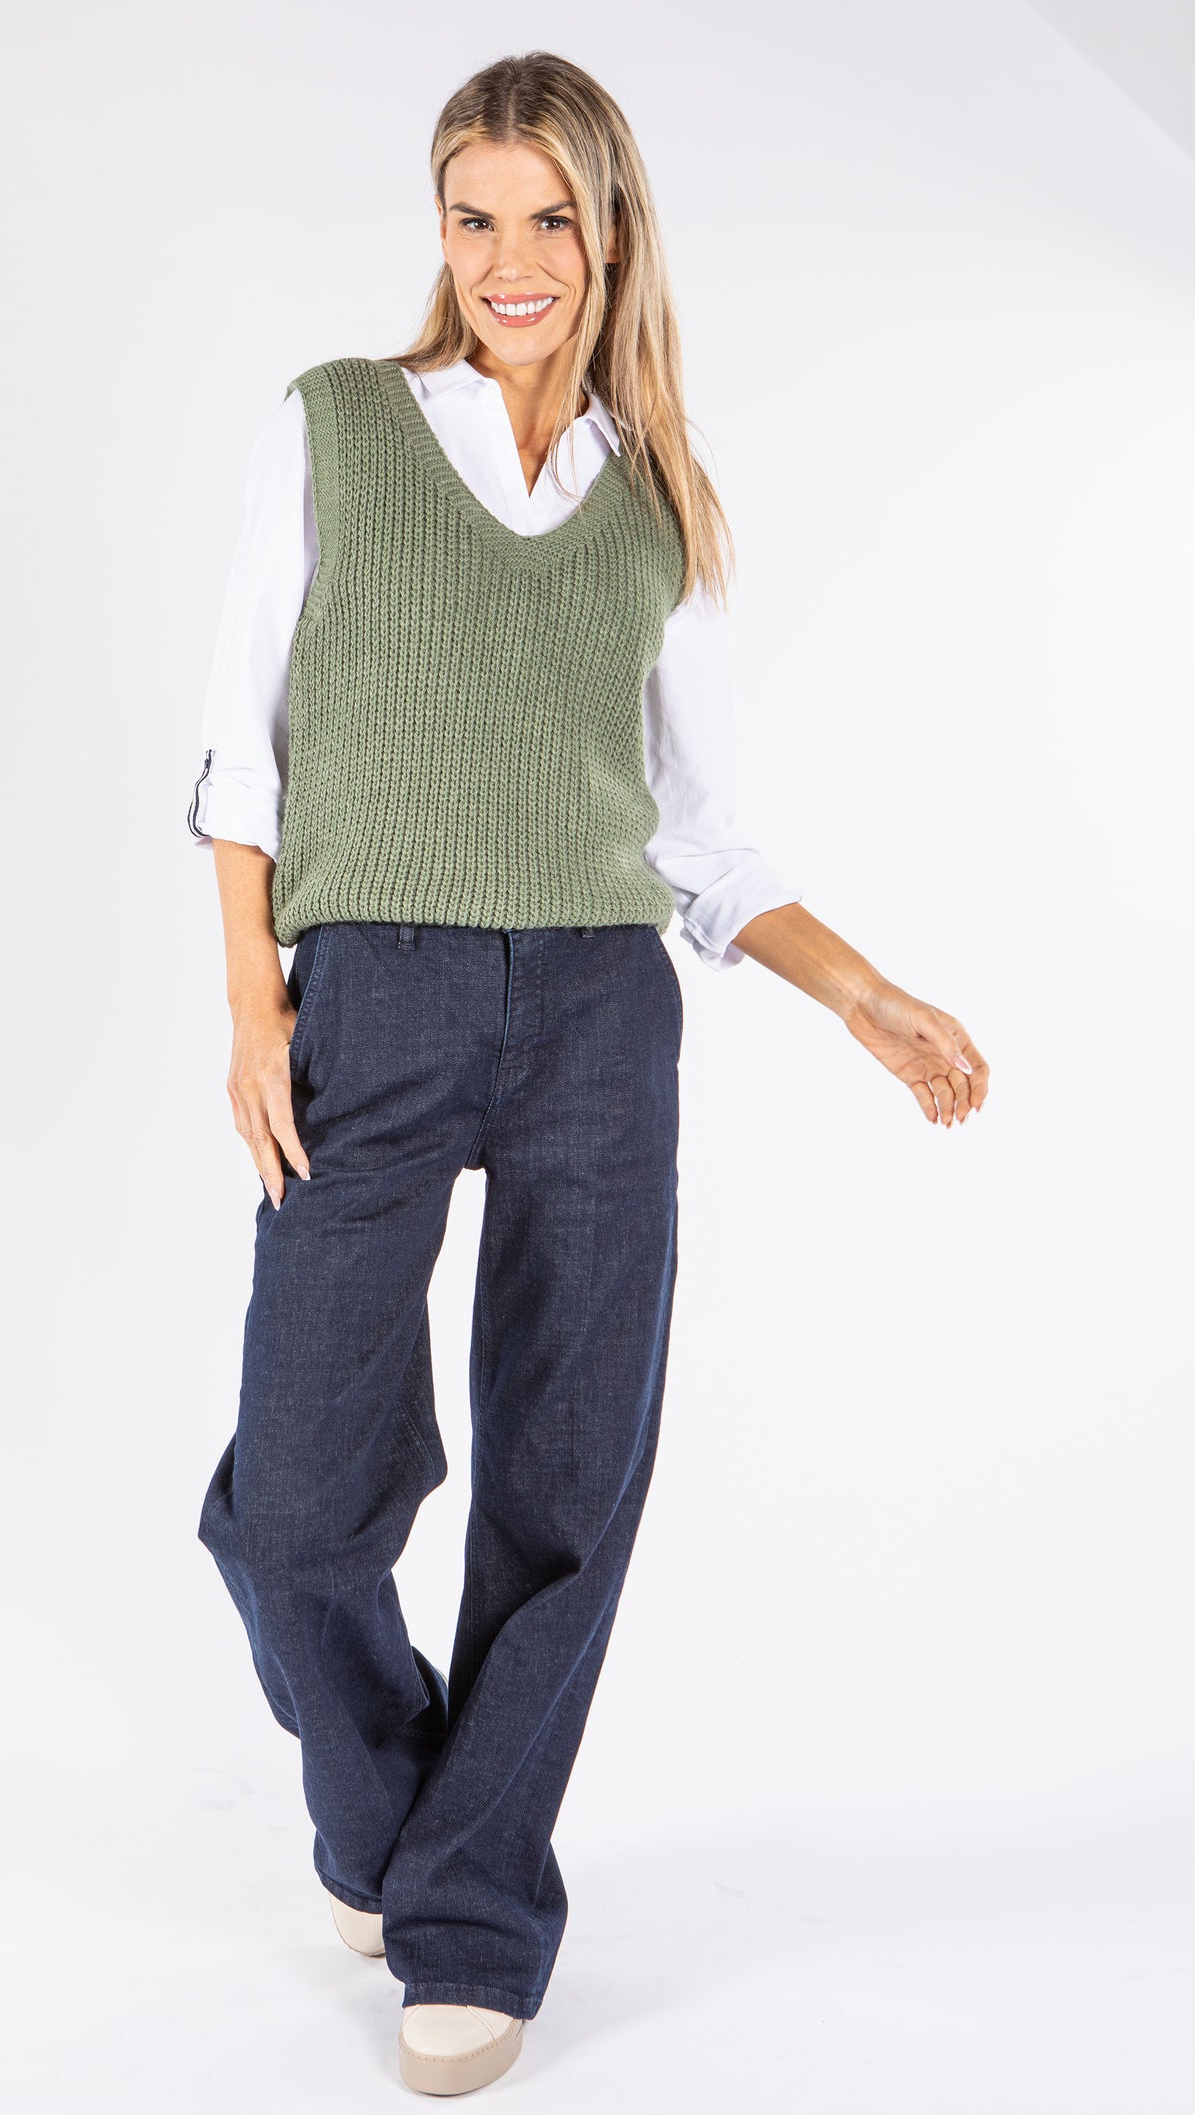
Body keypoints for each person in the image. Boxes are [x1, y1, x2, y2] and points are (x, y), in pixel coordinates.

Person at [187, 49, 989, 2097]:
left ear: (611, 231)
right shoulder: (336, 425)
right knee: (293, 1506)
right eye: (474, 218)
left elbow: (705, 840)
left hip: (602, 1021)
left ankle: (468, 1912)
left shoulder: (657, 495)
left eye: (548, 218)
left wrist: (864, 992)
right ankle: (388, 1816)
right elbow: (239, 750)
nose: (509, 259)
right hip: (371, 999)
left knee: (566, 1487)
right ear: (439, 231)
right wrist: (256, 1005)